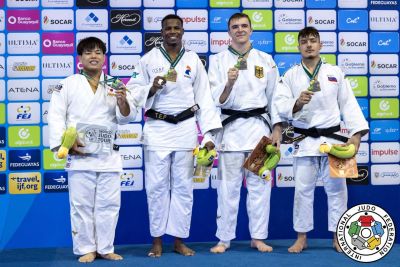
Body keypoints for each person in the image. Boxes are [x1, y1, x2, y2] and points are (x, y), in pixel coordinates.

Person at [126, 14, 222, 257]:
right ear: (161, 32)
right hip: (157, 128)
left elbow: (204, 99)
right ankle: (157, 241)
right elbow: (133, 92)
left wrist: (208, 134)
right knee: (156, 187)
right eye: (168, 28)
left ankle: (179, 240)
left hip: (186, 128)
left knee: (183, 188)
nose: (172, 31)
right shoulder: (147, 60)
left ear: (182, 31)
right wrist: (152, 88)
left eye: (176, 28)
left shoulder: (193, 61)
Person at [272, 27, 369, 253]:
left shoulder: (335, 72)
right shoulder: (291, 75)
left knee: (338, 190)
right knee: (302, 191)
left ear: (320, 45)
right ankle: (301, 237)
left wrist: (355, 136)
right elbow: (279, 105)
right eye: (304, 41)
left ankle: (338, 237)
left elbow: (349, 105)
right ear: (298, 46)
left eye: (313, 41)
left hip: (336, 142)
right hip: (305, 141)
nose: (308, 45)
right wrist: (296, 103)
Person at [48, 37, 137, 263]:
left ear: (104, 57)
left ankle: (106, 247)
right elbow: (56, 115)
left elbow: (127, 117)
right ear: (80, 58)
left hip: (108, 155)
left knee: (109, 204)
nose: (93, 56)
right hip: (80, 154)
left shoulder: (116, 84)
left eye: (98, 52)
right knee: (81, 205)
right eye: (88, 52)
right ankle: (86, 248)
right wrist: (64, 144)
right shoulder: (68, 83)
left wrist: (123, 101)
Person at [208, 13, 282, 254]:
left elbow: (275, 98)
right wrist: (228, 84)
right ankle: (224, 239)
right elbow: (213, 100)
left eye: (244, 26)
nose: (240, 30)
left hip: (259, 131)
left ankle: (258, 237)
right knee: (227, 189)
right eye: (234, 27)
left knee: (260, 186)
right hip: (229, 131)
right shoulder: (218, 60)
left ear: (251, 30)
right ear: (228, 32)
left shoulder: (265, 59)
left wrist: (277, 129)